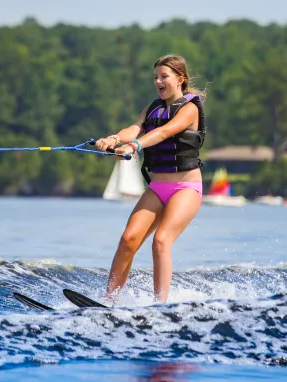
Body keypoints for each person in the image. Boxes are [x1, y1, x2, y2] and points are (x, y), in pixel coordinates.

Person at [95, 54, 207, 304]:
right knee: (128, 240)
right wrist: (114, 139)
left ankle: (160, 306)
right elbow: (135, 128)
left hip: (185, 188)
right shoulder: (153, 107)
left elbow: (164, 132)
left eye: (164, 76)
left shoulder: (189, 109)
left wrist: (134, 146)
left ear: (180, 79)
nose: (158, 81)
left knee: (161, 240)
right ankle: (108, 302)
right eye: (155, 77)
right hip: (158, 188)